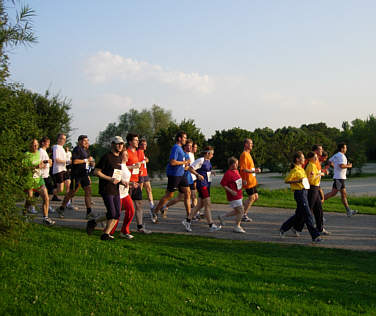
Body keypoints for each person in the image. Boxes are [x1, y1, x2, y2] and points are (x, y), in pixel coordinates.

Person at [279, 151, 321, 243]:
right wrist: (297, 181)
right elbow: (286, 180)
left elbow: (305, 180)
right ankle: (315, 236)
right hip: (299, 193)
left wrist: (310, 176)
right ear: (297, 159)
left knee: (299, 214)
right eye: (302, 158)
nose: (304, 159)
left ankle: (283, 228)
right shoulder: (295, 170)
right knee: (308, 214)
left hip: (305, 192)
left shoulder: (301, 169)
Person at [151, 131, 191, 223]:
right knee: (169, 195)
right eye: (184, 138)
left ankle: (189, 217)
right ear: (179, 138)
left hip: (181, 174)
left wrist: (186, 162)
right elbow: (172, 162)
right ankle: (155, 211)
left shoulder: (180, 148)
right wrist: (184, 162)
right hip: (174, 175)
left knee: (187, 192)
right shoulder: (176, 148)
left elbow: (183, 159)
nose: (185, 139)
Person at [88, 136, 124, 240]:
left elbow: (117, 174)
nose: (120, 146)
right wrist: (109, 179)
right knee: (112, 213)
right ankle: (99, 228)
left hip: (115, 188)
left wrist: (124, 182)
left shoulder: (119, 158)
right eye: (118, 144)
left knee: (117, 214)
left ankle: (105, 233)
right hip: (106, 188)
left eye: (122, 144)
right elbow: (96, 172)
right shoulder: (106, 157)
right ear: (112, 144)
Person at [183, 146, 221, 232]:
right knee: (208, 204)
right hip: (202, 185)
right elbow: (190, 168)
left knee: (200, 205)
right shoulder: (201, 160)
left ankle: (187, 221)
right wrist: (197, 175)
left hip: (207, 184)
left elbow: (204, 170)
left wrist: (211, 172)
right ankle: (211, 225)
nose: (213, 155)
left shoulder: (208, 161)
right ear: (207, 153)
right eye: (212, 154)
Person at [57, 135, 95, 219]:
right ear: (79, 141)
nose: (86, 142)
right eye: (84, 141)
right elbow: (74, 161)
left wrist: (91, 163)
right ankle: (61, 208)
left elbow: (87, 162)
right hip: (76, 175)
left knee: (88, 191)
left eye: (87, 141)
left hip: (84, 174)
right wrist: (85, 160)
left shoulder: (86, 151)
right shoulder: (76, 149)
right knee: (72, 193)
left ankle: (89, 212)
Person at [295, 151, 330, 235]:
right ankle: (297, 227)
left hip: (316, 188)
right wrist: (319, 174)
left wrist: (320, 173)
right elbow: (310, 179)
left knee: (318, 209)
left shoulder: (314, 165)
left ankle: (320, 228)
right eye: (315, 157)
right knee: (308, 209)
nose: (316, 158)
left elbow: (316, 174)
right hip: (311, 188)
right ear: (310, 158)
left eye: (316, 157)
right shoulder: (310, 165)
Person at [159, 139, 195, 219]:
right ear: (185, 146)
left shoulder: (189, 154)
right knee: (171, 195)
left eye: (191, 146)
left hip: (185, 177)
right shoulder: (179, 150)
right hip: (178, 175)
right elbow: (175, 163)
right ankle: (158, 209)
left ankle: (190, 216)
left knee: (187, 194)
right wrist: (186, 165)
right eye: (188, 145)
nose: (190, 147)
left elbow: (186, 166)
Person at [23, 139, 55, 226]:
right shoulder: (27, 155)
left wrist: (46, 162)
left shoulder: (38, 153)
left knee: (46, 198)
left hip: (38, 179)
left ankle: (46, 218)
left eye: (36, 145)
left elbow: (40, 162)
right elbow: (24, 168)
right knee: (30, 199)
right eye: (33, 145)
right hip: (29, 179)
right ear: (30, 145)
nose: (35, 146)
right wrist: (36, 166)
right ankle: (24, 215)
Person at [126, 133, 151, 234]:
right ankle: (104, 219)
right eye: (135, 140)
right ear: (130, 142)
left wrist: (139, 168)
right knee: (122, 207)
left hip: (136, 181)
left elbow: (139, 164)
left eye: (137, 140)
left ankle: (140, 227)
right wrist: (132, 167)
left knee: (139, 204)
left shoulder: (137, 153)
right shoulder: (126, 153)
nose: (138, 142)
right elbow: (121, 167)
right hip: (128, 183)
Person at [324, 143, 358, 217]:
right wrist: (349, 166)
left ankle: (348, 211)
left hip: (339, 177)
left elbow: (329, 161)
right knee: (335, 194)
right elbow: (341, 166)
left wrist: (334, 167)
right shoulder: (341, 156)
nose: (346, 149)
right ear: (342, 149)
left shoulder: (336, 155)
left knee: (340, 194)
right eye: (345, 148)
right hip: (339, 178)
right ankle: (317, 202)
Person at [218, 157, 246, 233]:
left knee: (237, 211)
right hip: (233, 195)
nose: (237, 165)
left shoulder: (236, 171)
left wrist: (243, 182)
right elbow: (223, 184)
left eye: (237, 163)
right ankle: (237, 226)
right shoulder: (228, 173)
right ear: (231, 164)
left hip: (239, 194)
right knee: (241, 211)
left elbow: (237, 181)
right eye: (236, 163)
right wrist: (231, 191)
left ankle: (222, 216)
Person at [239, 139, 261, 222]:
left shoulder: (248, 154)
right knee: (251, 197)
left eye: (252, 143)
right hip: (248, 180)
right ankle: (243, 214)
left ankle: (239, 208)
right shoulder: (244, 154)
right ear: (245, 144)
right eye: (250, 143)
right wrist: (254, 171)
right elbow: (243, 169)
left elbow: (249, 168)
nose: (252, 145)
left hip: (252, 180)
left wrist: (254, 169)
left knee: (255, 197)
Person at [39, 136, 57, 214]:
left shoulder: (45, 151)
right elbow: (39, 163)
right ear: (43, 143)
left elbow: (48, 163)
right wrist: (47, 162)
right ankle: (31, 205)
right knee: (37, 192)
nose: (49, 144)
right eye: (47, 142)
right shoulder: (40, 151)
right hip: (41, 175)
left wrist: (49, 163)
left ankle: (47, 205)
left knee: (50, 190)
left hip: (47, 174)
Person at [137, 138, 155, 211]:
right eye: (143, 144)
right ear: (140, 145)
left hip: (145, 173)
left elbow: (143, 160)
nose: (145, 146)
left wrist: (145, 159)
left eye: (145, 144)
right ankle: (138, 207)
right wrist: (144, 161)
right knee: (139, 191)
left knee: (149, 189)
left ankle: (152, 205)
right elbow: (137, 162)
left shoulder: (142, 152)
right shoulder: (138, 152)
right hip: (141, 173)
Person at [52, 134, 68, 201]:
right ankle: (46, 193)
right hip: (58, 170)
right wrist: (67, 162)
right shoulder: (56, 147)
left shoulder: (62, 148)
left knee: (68, 184)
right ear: (58, 139)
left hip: (64, 169)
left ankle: (67, 202)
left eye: (64, 139)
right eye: (61, 138)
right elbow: (56, 159)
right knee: (60, 189)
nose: (63, 140)